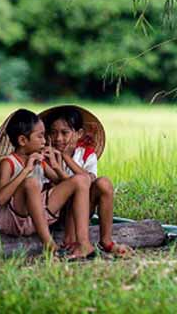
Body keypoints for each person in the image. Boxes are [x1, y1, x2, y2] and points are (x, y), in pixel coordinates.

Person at [0, 108, 96, 260]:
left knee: (81, 180)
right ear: (23, 141)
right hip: (14, 221)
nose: (45, 141)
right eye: (40, 136)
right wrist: (26, 170)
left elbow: (65, 185)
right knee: (31, 183)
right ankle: (49, 245)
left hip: (37, 217)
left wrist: (56, 165)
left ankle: (83, 243)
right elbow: (0, 199)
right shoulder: (8, 163)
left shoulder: (40, 161)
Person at [44, 106, 131, 256]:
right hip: (55, 212)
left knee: (104, 183)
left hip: (81, 210)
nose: (58, 138)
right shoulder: (45, 155)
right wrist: (57, 164)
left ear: (79, 134)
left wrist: (66, 157)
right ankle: (71, 241)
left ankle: (106, 241)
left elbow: (88, 180)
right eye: (53, 132)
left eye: (65, 133)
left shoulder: (86, 154)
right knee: (75, 188)